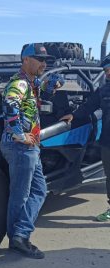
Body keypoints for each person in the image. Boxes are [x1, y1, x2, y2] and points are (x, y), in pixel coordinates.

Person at [0, 43, 55, 259]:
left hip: (30, 147)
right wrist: (19, 134)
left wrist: (53, 85)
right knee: (20, 195)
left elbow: (44, 91)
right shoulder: (20, 83)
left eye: (45, 60)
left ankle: (20, 234)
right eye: (39, 59)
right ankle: (18, 239)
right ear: (25, 60)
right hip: (20, 146)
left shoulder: (32, 83)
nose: (44, 63)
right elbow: (9, 103)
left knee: (39, 190)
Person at [60, 54, 110, 222]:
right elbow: (89, 105)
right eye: (106, 70)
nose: (108, 73)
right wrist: (74, 115)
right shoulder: (103, 90)